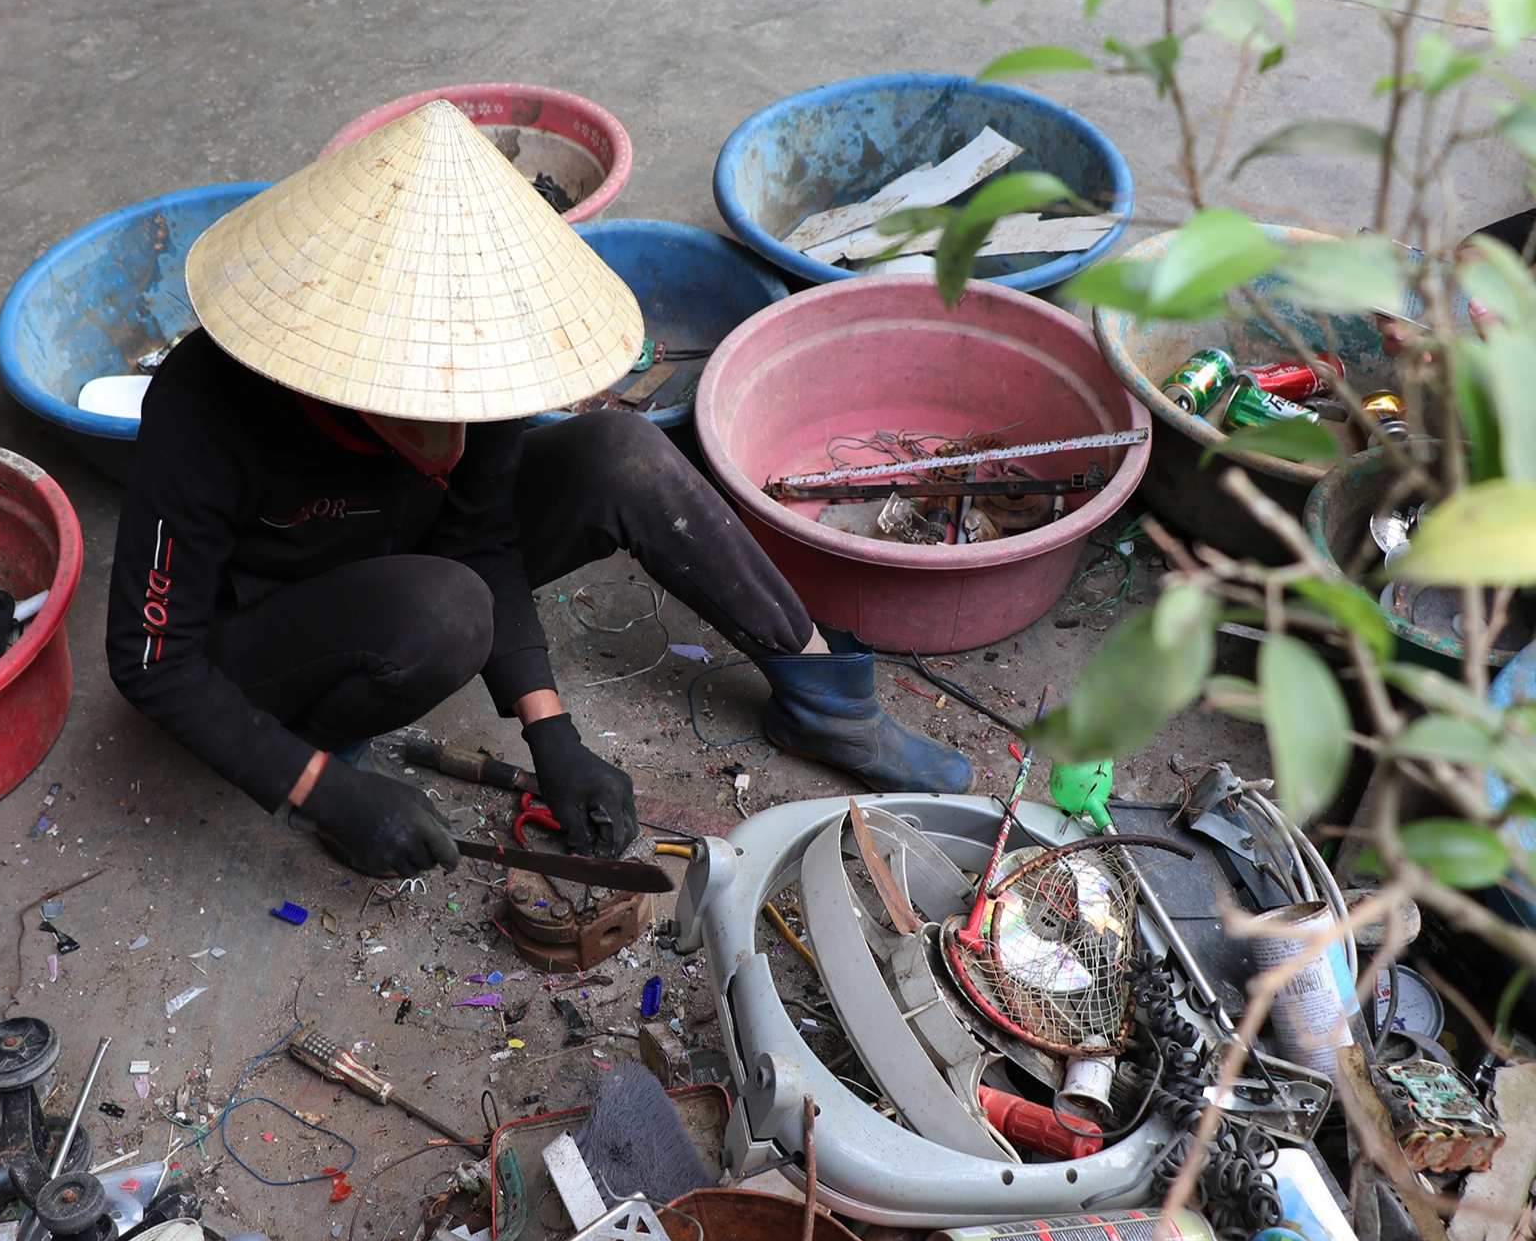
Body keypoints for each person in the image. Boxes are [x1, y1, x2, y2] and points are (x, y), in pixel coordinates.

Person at [106, 100, 971, 878]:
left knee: (619, 454)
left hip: (408, 551)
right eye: (429, 403)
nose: (460, 423)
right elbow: (155, 664)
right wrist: (319, 789)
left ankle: (824, 698)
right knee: (446, 611)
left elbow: (480, 534)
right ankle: (330, 740)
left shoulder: (479, 346)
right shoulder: (205, 406)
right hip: (268, 633)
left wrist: (553, 733)